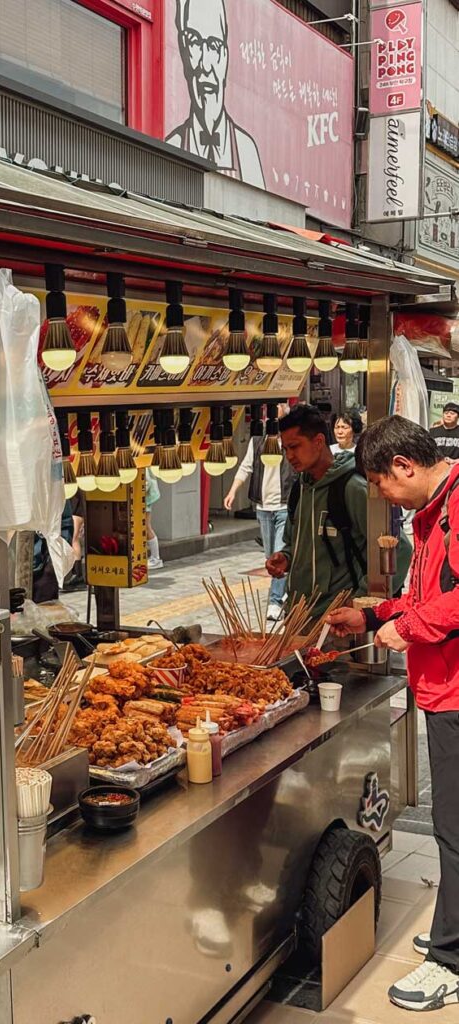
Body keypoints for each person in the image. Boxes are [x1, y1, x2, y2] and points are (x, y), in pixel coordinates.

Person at [327, 416, 459, 1012]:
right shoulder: (434, 513)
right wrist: (375, 616)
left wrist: (408, 628)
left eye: (380, 483)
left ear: (404, 467)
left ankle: (450, 962)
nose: (379, 495)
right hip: (442, 687)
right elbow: (429, 593)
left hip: (457, 692)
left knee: (454, 832)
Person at [265, 404, 410, 618]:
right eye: (285, 449)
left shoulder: (352, 488)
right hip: (299, 616)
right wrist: (286, 558)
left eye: (295, 446)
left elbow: (400, 549)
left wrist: (358, 603)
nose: (289, 456)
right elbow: (293, 543)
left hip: (338, 624)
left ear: (319, 441)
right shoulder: (299, 489)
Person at [166, 0, 265, 188]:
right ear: (183, 51)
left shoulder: (246, 151)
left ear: (225, 58)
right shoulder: (172, 145)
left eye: (213, 45)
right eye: (194, 41)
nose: (206, 65)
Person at [224, 418, 295, 622]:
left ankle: (275, 602)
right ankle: (284, 593)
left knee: (278, 554)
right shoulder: (257, 442)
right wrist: (232, 491)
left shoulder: (287, 443)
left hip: (283, 507)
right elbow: (246, 468)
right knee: (270, 557)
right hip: (263, 508)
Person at [146, 468, 163, 571]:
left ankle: (156, 558)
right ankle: (155, 557)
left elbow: (146, 482)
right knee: (145, 527)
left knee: (146, 527)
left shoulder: (141, 460)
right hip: (146, 496)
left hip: (144, 497)